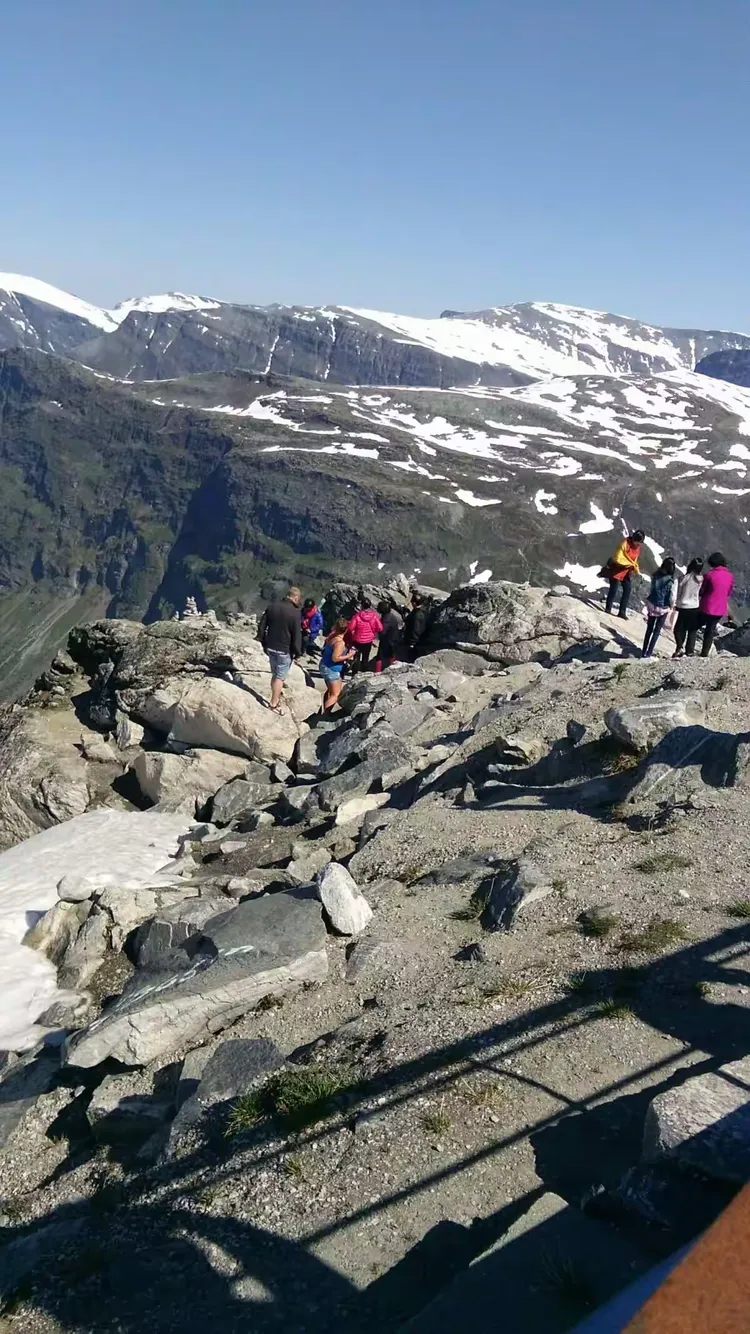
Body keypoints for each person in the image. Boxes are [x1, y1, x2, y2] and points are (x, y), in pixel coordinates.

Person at [257, 585, 302, 713]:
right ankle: (274, 703)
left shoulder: (272, 607)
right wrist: (298, 652)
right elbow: (296, 635)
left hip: (270, 646)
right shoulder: (295, 613)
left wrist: (262, 640)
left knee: (275, 674)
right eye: (298, 599)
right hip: (284, 649)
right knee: (280, 677)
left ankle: (275, 696)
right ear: (295, 597)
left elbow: (262, 625)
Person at [687, 552, 734, 657]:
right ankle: (704, 653)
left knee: (693, 627)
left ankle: (689, 651)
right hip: (720, 609)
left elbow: (702, 591)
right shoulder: (730, 576)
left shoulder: (709, 575)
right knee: (710, 630)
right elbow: (728, 592)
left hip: (707, 607)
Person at [603, 530, 645, 619]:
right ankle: (608, 608)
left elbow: (634, 560)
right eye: (638, 541)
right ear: (634, 539)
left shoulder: (637, 548)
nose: (639, 544)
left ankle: (622, 612)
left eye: (640, 542)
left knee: (627, 589)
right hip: (616, 568)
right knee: (613, 589)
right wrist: (629, 563)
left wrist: (634, 566)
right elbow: (618, 557)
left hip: (626, 571)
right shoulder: (625, 544)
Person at [641, 557, 677, 657]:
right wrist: (671, 605)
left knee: (649, 629)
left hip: (652, 604)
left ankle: (643, 651)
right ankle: (649, 653)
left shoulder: (655, 575)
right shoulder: (670, 580)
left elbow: (651, 589)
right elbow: (671, 596)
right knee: (656, 631)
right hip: (663, 607)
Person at [320, 618, 356, 711]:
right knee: (335, 694)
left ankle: (325, 711)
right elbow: (335, 658)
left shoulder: (331, 636)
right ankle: (325, 716)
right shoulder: (340, 642)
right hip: (332, 669)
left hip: (325, 665)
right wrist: (349, 655)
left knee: (330, 691)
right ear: (346, 630)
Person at [673, 558, 704, 658]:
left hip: (683, 605)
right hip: (695, 606)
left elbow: (678, 588)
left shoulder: (684, 578)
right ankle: (689, 651)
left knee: (678, 629)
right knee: (692, 629)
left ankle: (679, 647)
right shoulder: (701, 579)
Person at [347, 598, 383, 673]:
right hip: (368, 640)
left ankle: (354, 673)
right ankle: (363, 673)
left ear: (361, 606)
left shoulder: (357, 616)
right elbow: (380, 628)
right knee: (365, 657)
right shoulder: (374, 616)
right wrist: (373, 632)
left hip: (357, 640)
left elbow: (350, 628)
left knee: (356, 657)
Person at [374, 601, 404, 672]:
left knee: (380, 657)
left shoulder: (386, 619)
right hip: (393, 638)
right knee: (392, 655)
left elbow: (383, 631)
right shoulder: (390, 616)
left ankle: (378, 672)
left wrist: (376, 633)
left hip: (388, 640)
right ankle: (391, 669)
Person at [403, 591, 429, 660]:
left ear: (415, 603)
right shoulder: (424, 610)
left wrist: (412, 643)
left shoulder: (417, 615)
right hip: (421, 640)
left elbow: (415, 629)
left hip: (415, 642)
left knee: (411, 658)